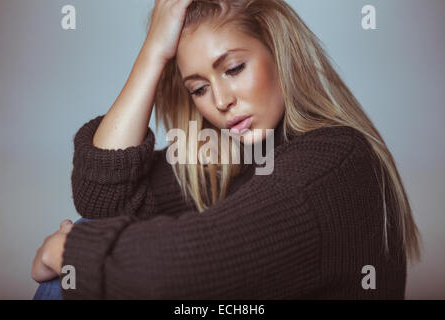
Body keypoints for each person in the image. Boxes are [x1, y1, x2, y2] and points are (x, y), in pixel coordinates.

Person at [32, 0, 421, 299]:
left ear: (280, 53)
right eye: (198, 88)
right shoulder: (234, 153)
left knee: (81, 263)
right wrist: (153, 54)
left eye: (234, 68)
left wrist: (67, 252)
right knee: (92, 237)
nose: (219, 100)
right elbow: (102, 197)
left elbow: (169, 273)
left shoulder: (334, 163)